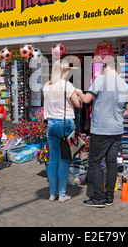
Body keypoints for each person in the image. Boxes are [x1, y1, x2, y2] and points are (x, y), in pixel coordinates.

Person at [76, 59, 128, 207]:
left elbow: (87, 99)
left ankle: (98, 197)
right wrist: (117, 116)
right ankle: (109, 196)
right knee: (111, 162)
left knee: (94, 162)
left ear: (106, 68)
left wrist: (77, 91)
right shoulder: (125, 86)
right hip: (116, 130)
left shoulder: (100, 80)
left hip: (101, 129)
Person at [42, 59, 81, 203]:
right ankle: (62, 194)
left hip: (51, 123)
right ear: (65, 71)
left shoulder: (47, 86)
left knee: (53, 160)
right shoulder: (67, 85)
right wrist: (77, 93)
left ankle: (52, 193)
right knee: (64, 160)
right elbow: (78, 104)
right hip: (65, 123)